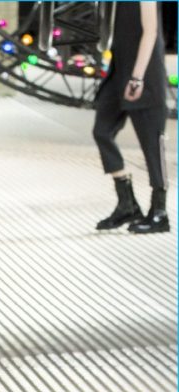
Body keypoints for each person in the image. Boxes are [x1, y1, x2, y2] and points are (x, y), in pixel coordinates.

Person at [93, 2, 169, 234]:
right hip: (119, 70)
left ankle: (159, 212)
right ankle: (127, 204)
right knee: (102, 130)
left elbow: (150, 32)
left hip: (144, 73)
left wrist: (137, 77)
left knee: (153, 144)